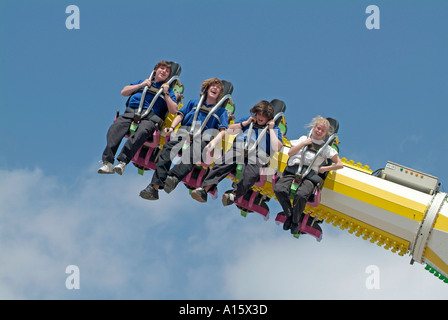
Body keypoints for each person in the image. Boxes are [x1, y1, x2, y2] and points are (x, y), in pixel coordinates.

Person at [139, 78, 229, 200]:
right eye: (212, 86)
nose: (215, 88)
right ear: (207, 88)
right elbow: (180, 116)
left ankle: (173, 177)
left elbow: (223, 131)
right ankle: (154, 187)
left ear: (220, 94)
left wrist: (213, 143)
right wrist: (171, 128)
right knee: (168, 149)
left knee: (195, 150)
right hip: (186, 129)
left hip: (204, 135)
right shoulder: (193, 102)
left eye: (218, 87)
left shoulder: (221, 111)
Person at [190, 100, 283, 206]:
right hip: (239, 147)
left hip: (258, 154)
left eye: (264, 115)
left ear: (269, 118)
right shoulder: (248, 121)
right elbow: (229, 130)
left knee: (250, 174)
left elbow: (278, 147)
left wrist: (270, 129)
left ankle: (234, 195)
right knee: (222, 163)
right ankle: (204, 190)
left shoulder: (275, 129)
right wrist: (245, 123)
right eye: (258, 114)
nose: (260, 117)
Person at [98, 60, 179, 175]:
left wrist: (165, 93)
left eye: (167, 71)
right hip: (131, 113)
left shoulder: (168, 91)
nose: (164, 71)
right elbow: (124, 92)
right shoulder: (143, 82)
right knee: (115, 128)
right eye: (162, 68)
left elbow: (174, 110)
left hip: (150, 119)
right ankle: (108, 162)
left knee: (142, 132)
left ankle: (123, 161)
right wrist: (141, 85)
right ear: (156, 70)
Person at [273, 116, 343, 235]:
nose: (319, 132)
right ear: (314, 127)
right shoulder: (303, 139)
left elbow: (339, 164)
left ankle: (295, 221)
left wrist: (325, 168)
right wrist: (304, 143)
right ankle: (289, 215)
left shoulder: (326, 149)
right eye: (318, 128)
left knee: (301, 195)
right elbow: (290, 152)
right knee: (279, 189)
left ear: (325, 134)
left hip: (309, 175)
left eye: (322, 131)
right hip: (294, 170)